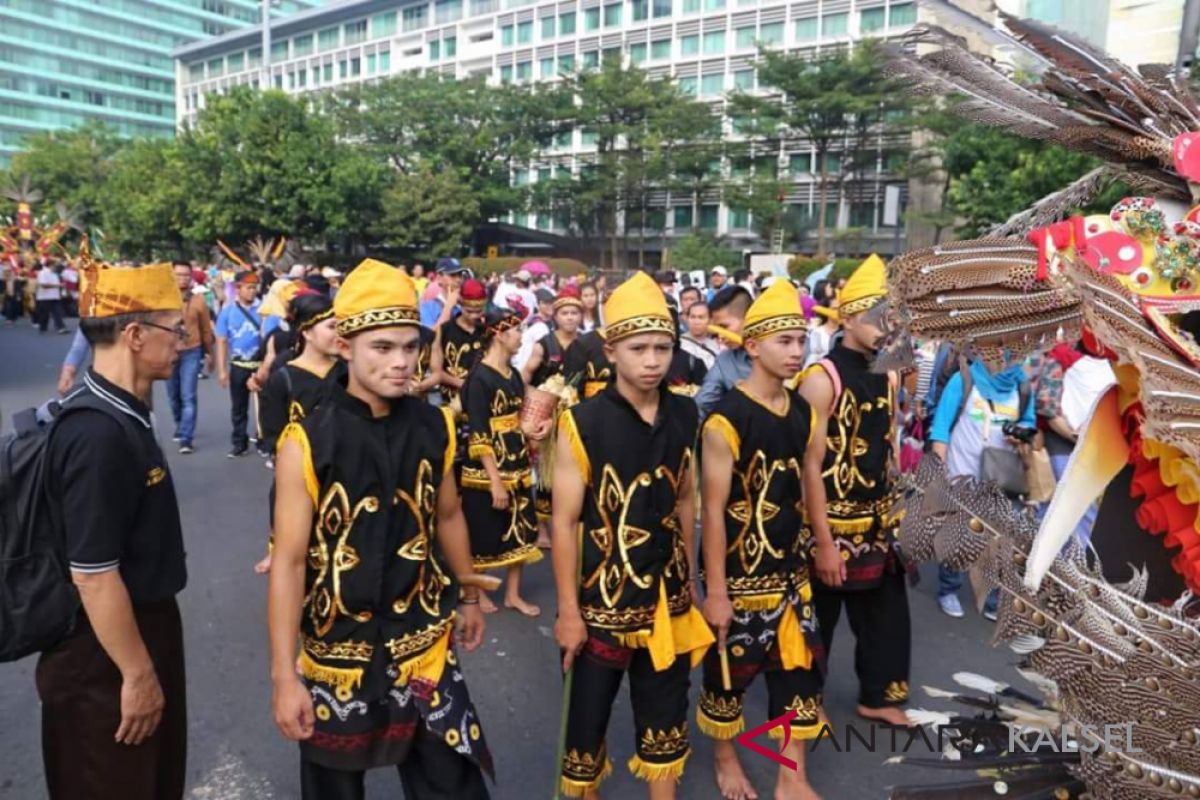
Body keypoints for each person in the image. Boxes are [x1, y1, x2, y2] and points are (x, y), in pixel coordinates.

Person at [269, 258, 493, 800]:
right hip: (337, 649)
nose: (401, 363)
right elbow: (290, 561)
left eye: (410, 347)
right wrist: (283, 675)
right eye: (382, 347)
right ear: (345, 346)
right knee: (333, 788)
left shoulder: (434, 423)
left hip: (422, 639)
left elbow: (447, 515)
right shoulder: (308, 438)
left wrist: (466, 592)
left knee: (451, 782)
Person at [552, 272, 713, 799]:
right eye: (639, 348)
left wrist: (691, 579)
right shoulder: (583, 421)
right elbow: (565, 522)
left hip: (668, 600)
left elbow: (686, 496)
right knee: (586, 723)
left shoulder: (685, 413)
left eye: (662, 348)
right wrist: (569, 612)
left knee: (666, 715)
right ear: (611, 349)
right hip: (602, 603)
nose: (652, 361)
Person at [39, 260, 188, 799]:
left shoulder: (123, 411)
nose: (184, 341)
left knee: (150, 779)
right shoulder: (97, 433)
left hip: (136, 631)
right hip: (103, 654)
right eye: (175, 329)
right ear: (134, 334)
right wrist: (138, 674)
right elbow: (94, 575)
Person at [698, 279, 825, 800]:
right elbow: (711, 510)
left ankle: (790, 777)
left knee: (799, 676)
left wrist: (827, 542)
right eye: (784, 341)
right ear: (752, 346)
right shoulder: (726, 420)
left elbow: (811, 476)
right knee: (729, 678)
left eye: (801, 340)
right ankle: (726, 759)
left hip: (794, 575)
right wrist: (718, 592)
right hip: (741, 575)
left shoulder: (804, 412)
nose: (796, 352)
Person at [797, 254, 911, 728]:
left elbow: (890, 448)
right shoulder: (822, 379)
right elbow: (809, 465)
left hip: (878, 522)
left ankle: (877, 695)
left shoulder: (888, 373)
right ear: (847, 319)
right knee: (817, 618)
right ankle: (805, 700)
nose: (890, 326)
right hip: (830, 523)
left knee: (886, 617)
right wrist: (823, 541)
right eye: (879, 317)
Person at [928, 353, 1037, 620]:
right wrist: (939, 470)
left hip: (1001, 477)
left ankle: (991, 598)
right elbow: (941, 428)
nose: (1006, 359)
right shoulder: (964, 380)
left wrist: (1021, 434)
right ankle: (949, 589)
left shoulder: (1022, 385)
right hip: (962, 471)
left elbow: (1029, 423)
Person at [461, 308, 544, 615]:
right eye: (517, 330)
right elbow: (479, 434)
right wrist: (494, 480)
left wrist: (535, 430)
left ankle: (512, 594)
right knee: (483, 531)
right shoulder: (479, 378)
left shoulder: (512, 375)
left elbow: (517, 418)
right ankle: (477, 592)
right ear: (499, 334)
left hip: (518, 464)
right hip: (488, 469)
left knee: (521, 530)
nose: (522, 336)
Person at [254, 292, 341, 575]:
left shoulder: (348, 373)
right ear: (307, 332)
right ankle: (279, 553)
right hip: (301, 475)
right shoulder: (284, 377)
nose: (340, 333)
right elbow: (273, 436)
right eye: (331, 326)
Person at [215, 270, 264, 458]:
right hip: (239, 366)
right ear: (238, 289)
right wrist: (222, 370)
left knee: (265, 407)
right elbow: (221, 341)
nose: (252, 291)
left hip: (261, 365)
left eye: (255, 288)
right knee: (238, 408)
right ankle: (239, 442)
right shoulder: (227, 313)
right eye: (248, 288)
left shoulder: (264, 310)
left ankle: (263, 440)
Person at [167, 262, 215, 455]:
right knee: (173, 395)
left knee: (189, 395)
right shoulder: (163, 299)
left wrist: (209, 353)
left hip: (192, 351)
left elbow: (205, 328)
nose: (183, 279)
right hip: (169, 352)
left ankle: (186, 437)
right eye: (179, 275)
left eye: (187, 275)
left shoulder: (199, 300)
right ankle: (180, 424)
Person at [696, 286, 753, 418]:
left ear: (748, 318)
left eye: (724, 327)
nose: (720, 336)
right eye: (717, 329)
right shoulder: (724, 361)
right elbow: (702, 404)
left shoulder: (786, 351)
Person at [436, 277, 486, 420]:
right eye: (469, 311)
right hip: (451, 403)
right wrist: (463, 383)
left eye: (478, 311)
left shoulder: (488, 331)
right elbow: (437, 371)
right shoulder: (446, 330)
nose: (474, 316)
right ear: (460, 304)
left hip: (481, 403)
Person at [419, 257, 468, 328]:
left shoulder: (466, 305)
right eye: (452, 275)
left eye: (460, 275)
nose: (458, 279)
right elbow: (429, 336)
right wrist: (448, 306)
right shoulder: (428, 307)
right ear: (439, 278)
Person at [679, 302, 718, 371]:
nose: (696, 322)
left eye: (701, 317)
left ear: (710, 320)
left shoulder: (717, 345)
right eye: (693, 317)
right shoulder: (678, 344)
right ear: (687, 319)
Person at [36, 259, 69, 334]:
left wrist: (61, 288)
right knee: (44, 314)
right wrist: (58, 285)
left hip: (55, 297)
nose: (58, 267)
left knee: (58, 313)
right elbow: (43, 285)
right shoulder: (42, 273)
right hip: (44, 297)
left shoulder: (55, 274)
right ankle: (43, 328)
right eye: (56, 265)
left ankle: (61, 328)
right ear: (51, 265)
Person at [803, 305, 839, 369]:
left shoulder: (846, 333)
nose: (837, 312)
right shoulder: (817, 332)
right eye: (834, 309)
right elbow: (813, 354)